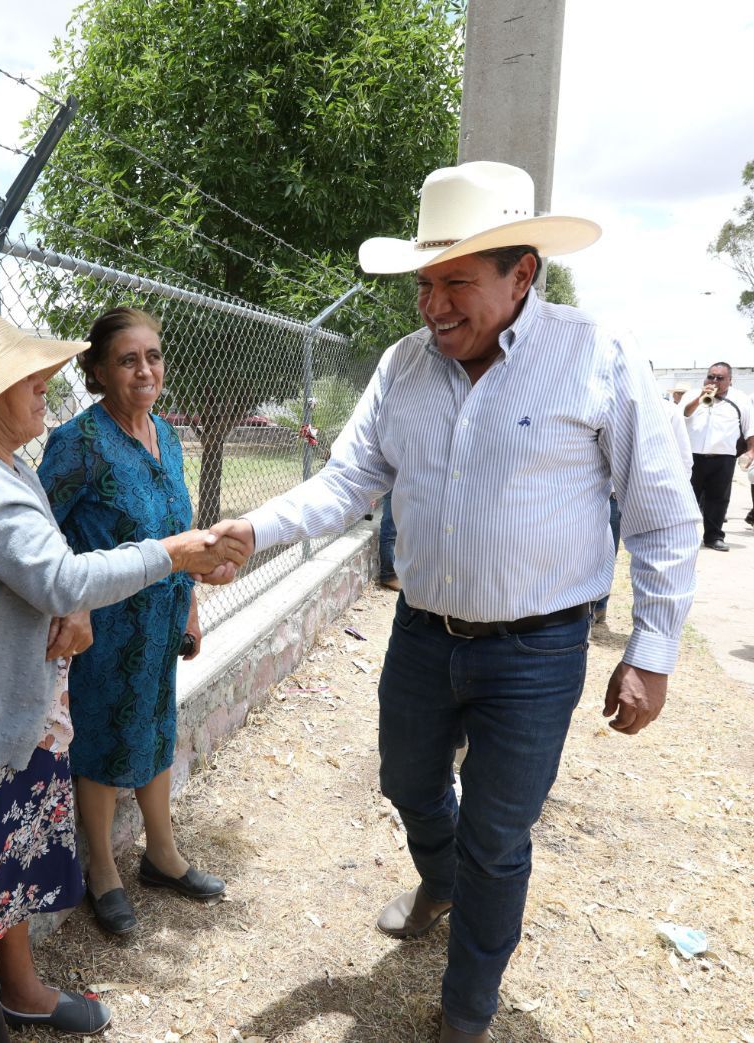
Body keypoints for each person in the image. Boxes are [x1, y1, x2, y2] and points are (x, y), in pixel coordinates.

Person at [208, 161, 699, 1043]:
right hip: (425, 634)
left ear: (522, 275)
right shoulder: (404, 368)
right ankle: (440, 876)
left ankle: (467, 1010)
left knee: (500, 836)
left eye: (455, 283)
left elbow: (664, 516)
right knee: (408, 781)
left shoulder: (598, 356)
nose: (432, 306)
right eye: (425, 283)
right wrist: (256, 530)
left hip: (539, 652)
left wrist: (652, 648)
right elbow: (349, 478)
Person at [0, 308, 241, 1035]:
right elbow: (53, 571)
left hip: (14, 704)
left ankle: (20, 988)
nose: (44, 384)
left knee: (6, 868)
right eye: (28, 376)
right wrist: (170, 555)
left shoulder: (3, 462)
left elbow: (41, 560)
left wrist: (84, 603)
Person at [37, 307, 224, 938]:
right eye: (127, 359)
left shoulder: (167, 435)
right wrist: (73, 601)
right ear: (96, 371)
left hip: (162, 621)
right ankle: (102, 871)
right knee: (97, 743)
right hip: (103, 629)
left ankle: (162, 856)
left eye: (153, 356)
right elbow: (41, 535)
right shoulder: (78, 444)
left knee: (155, 729)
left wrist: (192, 607)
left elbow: (182, 534)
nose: (145, 370)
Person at [681, 362, 753, 550]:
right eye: (711, 376)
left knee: (718, 499)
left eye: (719, 378)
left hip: (723, 458)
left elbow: (749, 429)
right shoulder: (692, 395)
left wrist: (751, 451)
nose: (714, 381)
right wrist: (700, 398)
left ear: (730, 380)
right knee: (687, 498)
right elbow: (682, 415)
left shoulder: (741, 399)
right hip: (692, 456)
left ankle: (713, 537)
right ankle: (683, 537)